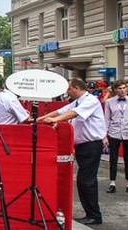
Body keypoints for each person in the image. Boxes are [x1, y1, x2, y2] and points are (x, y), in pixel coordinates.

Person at [39, 77, 107, 226]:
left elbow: (72, 114)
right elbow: (60, 111)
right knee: (83, 181)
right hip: (83, 145)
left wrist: (55, 121)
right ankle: (90, 213)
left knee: (86, 181)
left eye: (69, 89)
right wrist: (40, 119)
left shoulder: (90, 101)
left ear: (76, 88)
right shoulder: (77, 101)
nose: (67, 92)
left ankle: (95, 215)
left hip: (91, 144)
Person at [103, 81, 128, 195]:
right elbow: (106, 119)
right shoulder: (109, 102)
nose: (123, 90)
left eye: (124, 88)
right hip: (114, 133)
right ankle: (112, 183)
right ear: (115, 90)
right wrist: (104, 136)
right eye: (120, 88)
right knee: (113, 159)